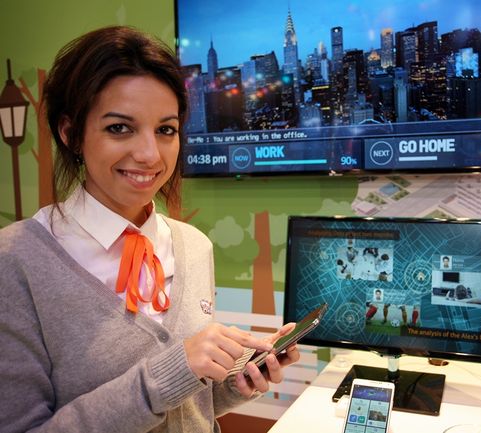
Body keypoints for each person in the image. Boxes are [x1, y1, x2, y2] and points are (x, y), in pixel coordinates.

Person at [0, 26, 299, 433]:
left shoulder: (193, 246)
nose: (149, 154)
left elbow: (192, 403)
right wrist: (166, 374)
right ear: (71, 133)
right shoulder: (16, 261)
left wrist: (237, 383)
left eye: (165, 130)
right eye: (119, 128)